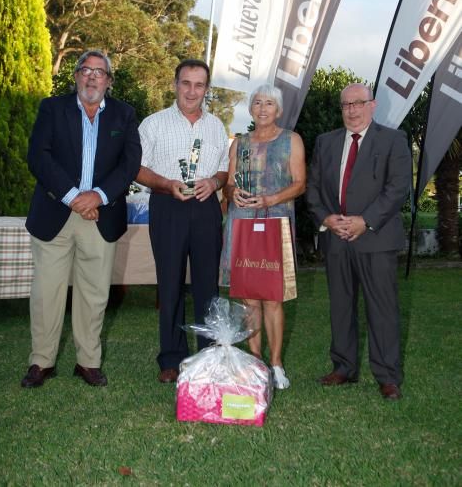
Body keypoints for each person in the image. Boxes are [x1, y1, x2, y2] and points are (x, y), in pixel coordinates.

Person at [21, 50, 142, 388]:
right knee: (47, 291)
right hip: (55, 212)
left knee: (95, 292)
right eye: (85, 70)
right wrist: (75, 197)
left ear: (109, 81)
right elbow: (38, 156)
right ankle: (41, 361)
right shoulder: (52, 108)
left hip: (100, 215)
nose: (92, 77)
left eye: (99, 72)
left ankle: (88, 362)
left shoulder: (125, 115)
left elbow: (129, 164)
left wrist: (98, 197)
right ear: (75, 76)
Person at [307, 83, 411, 400]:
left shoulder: (394, 140)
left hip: (376, 238)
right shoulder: (325, 143)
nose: (351, 110)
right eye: (346, 105)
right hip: (336, 239)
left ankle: (388, 375)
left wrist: (364, 221)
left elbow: (398, 187)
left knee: (382, 309)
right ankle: (343, 367)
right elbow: (313, 189)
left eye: (358, 103)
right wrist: (325, 218)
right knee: (341, 307)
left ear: (372, 105)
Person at [136, 59, 229, 383]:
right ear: (175, 84)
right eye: (186, 83)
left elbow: (223, 170)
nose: (192, 91)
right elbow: (137, 168)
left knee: (207, 286)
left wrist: (215, 183)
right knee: (170, 284)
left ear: (206, 89)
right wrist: (166, 184)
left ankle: (209, 356)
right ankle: (171, 360)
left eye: (199, 84)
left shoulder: (216, 126)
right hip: (167, 205)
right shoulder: (153, 124)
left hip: (205, 208)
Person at [221, 84, 306, 389]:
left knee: (272, 298)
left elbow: (300, 184)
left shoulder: (291, 140)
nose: (262, 108)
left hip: (276, 223)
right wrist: (233, 194)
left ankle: (277, 364)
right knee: (250, 300)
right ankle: (256, 362)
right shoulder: (239, 143)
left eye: (269, 103)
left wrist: (270, 200)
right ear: (251, 108)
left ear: (278, 110)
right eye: (257, 102)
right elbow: (228, 184)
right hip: (242, 224)